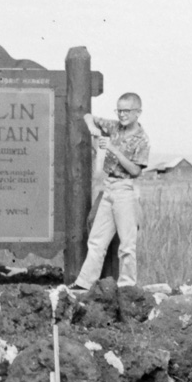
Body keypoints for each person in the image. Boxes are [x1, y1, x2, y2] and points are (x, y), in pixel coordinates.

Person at [70, 92, 150, 292]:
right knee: (96, 240)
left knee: (127, 245)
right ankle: (84, 284)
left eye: (126, 111)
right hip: (109, 188)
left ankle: (127, 287)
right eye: (119, 110)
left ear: (138, 112)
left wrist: (112, 149)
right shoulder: (113, 126)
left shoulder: (142, 139)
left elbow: (135, 171)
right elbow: (89, 116)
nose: (122, 115)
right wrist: (92, 129)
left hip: (125, 190)